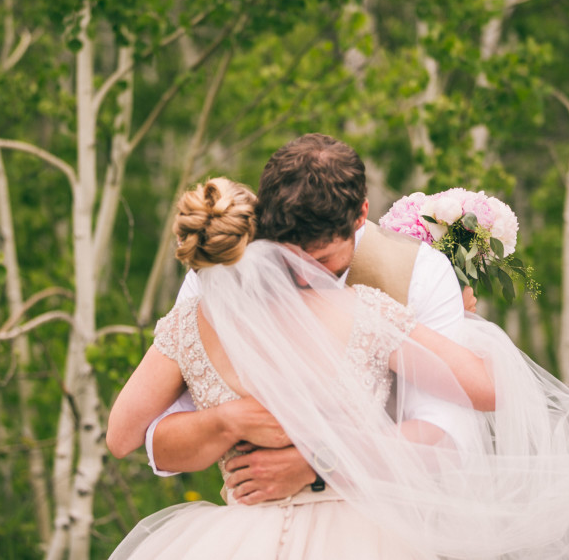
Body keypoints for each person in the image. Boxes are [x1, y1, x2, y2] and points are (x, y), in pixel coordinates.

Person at [106, 177, 569, 559]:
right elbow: (487, 390)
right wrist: (464, 329)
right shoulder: (358, 310)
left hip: (235, 539)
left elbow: (121, 435)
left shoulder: (187, 325)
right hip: (364, 534)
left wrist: (229, 421)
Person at [142, 134, 479, 506]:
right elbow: (157, 437)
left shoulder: (420, 272)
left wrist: (320, 464)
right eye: (286, 257)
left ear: (361, 215)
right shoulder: (222, 272)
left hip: (386, 519)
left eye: (321, 260)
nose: (303, 276)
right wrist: (226, 421)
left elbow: (448, 435)